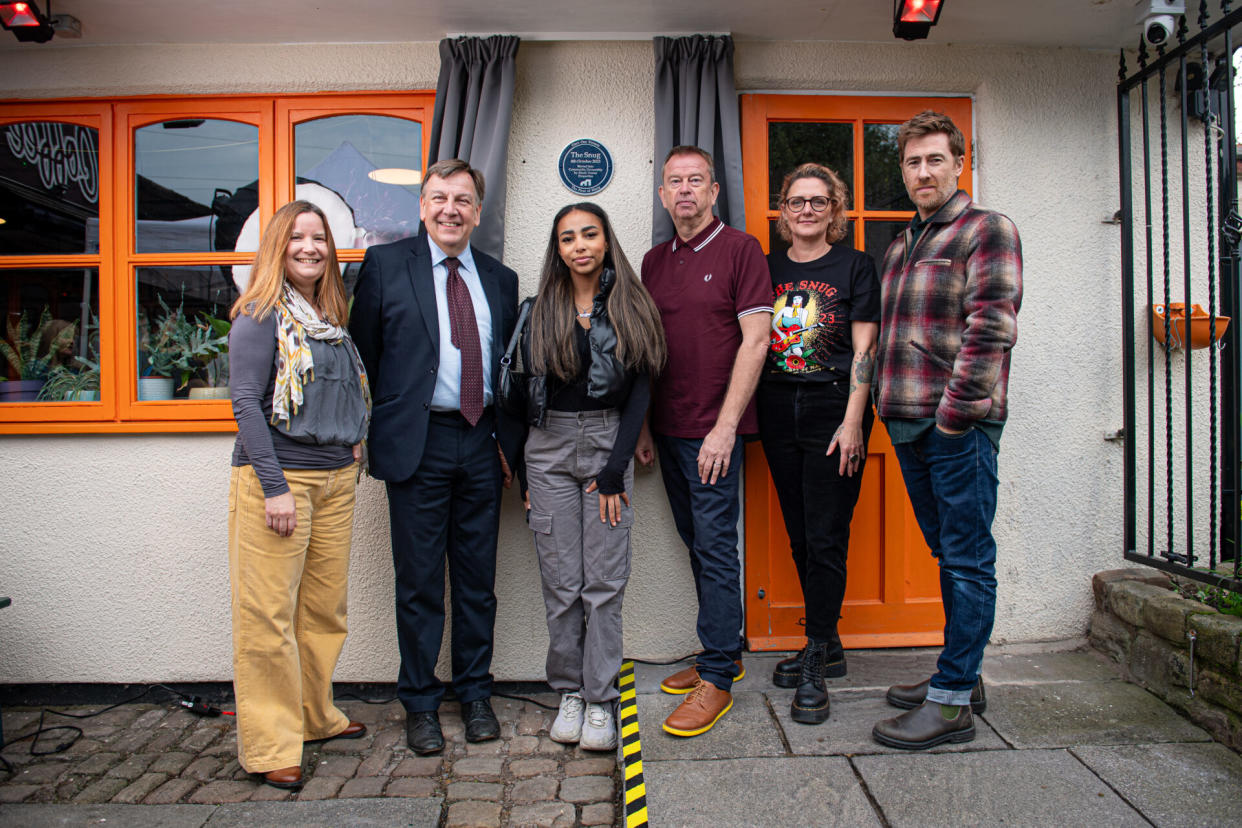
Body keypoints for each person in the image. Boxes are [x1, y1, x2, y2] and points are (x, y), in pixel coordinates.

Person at [348, 159, 519, 756]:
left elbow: (507, 367)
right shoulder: (386, 266)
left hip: (479, 441)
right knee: (419, 582)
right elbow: (363, 358)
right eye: (439, 198)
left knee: (478, 582)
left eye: (463, 200)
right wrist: (370, 432)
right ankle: (420, 702)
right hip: (415, 443)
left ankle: (475, 694)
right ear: (422, 207)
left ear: (477, 211)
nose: (451, 209)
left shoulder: (501, 279)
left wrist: (508, 446)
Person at [871, 111, 1022, 750]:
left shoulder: (986, 230)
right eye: (912, 161)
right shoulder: (903, 244)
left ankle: (953, 702)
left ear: (958, 162)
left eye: (935, 159)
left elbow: (991, 328)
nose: (923, 171)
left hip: (954, 427)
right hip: (908, 426)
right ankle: (961, 675)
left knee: (966, 560)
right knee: (949, 554)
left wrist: (956, 418)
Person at [226, 200, 371, 789]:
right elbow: (245, 406)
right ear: (277, 247)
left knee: (321, 611)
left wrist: (353, 440)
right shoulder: (260, 315)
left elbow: (338, 393)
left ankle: (315, 715)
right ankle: (270, 746)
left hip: (335, 481)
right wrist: (275, 487)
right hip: (279, 484)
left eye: (320, 238)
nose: (310, 247)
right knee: (267, 618)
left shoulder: (328, 317)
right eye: (297, 238)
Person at [520, 202, 667, 751]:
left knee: (602, 583)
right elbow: (520, 394)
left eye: (589, 234)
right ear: (557, 250)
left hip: (610, 442)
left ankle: (601, 698)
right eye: (567, 238)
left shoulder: (632, 305)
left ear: (606, 241)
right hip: (549, 449)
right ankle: (570, 693)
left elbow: (642, 391)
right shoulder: (538, 309)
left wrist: (612, 471)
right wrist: (526, 471)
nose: (579, 245)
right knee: (562, 584)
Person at [638, 145, 773, 737]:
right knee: (696, 543)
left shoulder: (741, 250)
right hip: (667, 429)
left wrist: (723, 428)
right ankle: (723, 651)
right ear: (664, 195)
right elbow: (645, 350)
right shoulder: (653, 261)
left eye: (697, 180)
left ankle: (716, 677)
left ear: (714, 191)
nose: (686, 190)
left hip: (712, 433)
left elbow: (757, 340)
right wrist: (642, 424)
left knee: (716, 549)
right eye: (675, 182)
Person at [758, 163, 879, 725]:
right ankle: (823, 647)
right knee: (801, 535)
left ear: (836, 210)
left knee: (828, 536)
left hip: (835, 407)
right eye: (797, 201)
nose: (807, 210)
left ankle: (818, 656)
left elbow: (864, 352)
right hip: (779, 408)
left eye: (818, 201)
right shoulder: (767, 268)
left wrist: (853, 422)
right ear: (783, 210)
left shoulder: (855, 267)